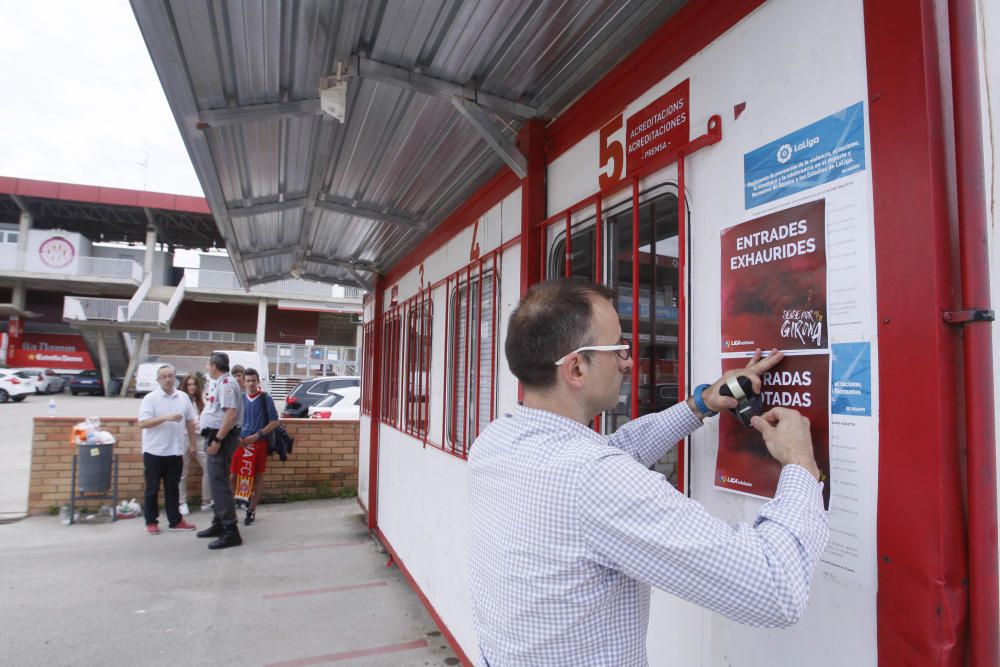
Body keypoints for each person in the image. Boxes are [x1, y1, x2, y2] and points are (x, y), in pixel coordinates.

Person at [468, 279, 828, 666]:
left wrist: (701, 404)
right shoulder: (593, 479)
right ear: (575, 368)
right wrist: (800, 466)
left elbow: (612, 451)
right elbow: (775, 587)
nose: (628, 361)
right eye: (619, 347)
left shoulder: (496, 440)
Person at [137, 365, 198, 535]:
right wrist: (165, 418)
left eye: (170, 376)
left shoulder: (183, 397)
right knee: (152, 488)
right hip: (154, 451)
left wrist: (192, 444)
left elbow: (190, 422)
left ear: (175, 378)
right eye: (164, 376)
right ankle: (151, 521)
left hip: (175, 450)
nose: (168, 379)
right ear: (158, 380)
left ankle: (175, 520)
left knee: (173, 488)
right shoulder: (151, 398)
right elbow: (142, 423)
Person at [196, 352, 243, 549]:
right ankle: (219, 523)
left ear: (214, 365)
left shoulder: (227, 384)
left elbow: (230, 415)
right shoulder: (219, 382)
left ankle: (230, 530)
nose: (207, 367)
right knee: (216, 483)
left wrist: (217, 439)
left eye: (208, 364)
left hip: (221, 438)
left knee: (219, 482)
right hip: (216, 435)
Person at [230, 367, 279, 525]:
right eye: (248, 380)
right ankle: (235, 503)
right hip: (241, 442)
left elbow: (275, 422)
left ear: (258, 381)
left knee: (257, 477)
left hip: (258, 443)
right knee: (233, 476)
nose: (251, 383)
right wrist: (236, 436)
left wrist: (257, 435)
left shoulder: (266, 398)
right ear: (243, 382)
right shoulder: (240, 398)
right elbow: (232, 419)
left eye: (253, 380)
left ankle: (251, 509)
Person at [180, 373, 212, 512]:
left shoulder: (202, 400)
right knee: (182, 472)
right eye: (189, 384)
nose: (192, 387)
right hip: (184, 438)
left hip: (200, 438)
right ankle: (182, 502)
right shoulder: (180, 400)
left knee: (209, 469)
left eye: (194, 384)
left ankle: (206, 501)